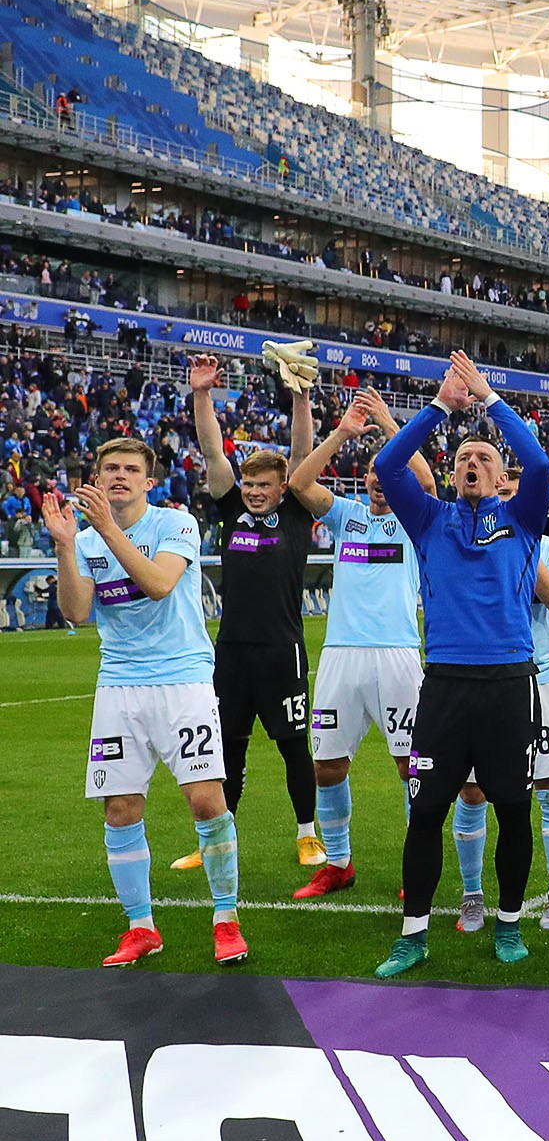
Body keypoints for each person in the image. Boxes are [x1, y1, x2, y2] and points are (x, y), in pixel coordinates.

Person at [370, 353, 549, 979]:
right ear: (451, 474)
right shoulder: (429, 519)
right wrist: (441, 408)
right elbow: (388, 466)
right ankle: (413, 934)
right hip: (444, 687)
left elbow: (541, 464)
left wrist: (491, 400)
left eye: (485, 459)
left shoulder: (523, 518)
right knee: (425, 813)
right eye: (464, 458)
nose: (473, 463)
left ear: (502, 476)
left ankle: (509, 922)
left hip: (508, 685)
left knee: (513, 810)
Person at [47, 443, 244, 968]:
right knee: (120, 809)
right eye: (111, 468)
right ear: (96, 477)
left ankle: (226, 918)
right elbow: (77, 611)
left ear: (148, 482)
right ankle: (141, 927)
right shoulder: (86, 539)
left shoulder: (175, 524)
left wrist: (107, 529)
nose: (120, 476)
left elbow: (158, 585)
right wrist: (65, 546)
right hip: (119, 685)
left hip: (182, 681)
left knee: (206, 802)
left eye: (132, 470)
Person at [289, 389, 433, 900]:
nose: (377, 479)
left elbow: (427, 481)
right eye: (372, 472)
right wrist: (343, 433)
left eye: (386, 471)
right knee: (327, 765)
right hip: (340, 655)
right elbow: (299, 482)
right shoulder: (346, 514)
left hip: (397, 655)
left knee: (410, 767)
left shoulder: (415, 518)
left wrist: (391, 425)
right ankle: (339, 864)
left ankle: (417, 867)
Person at [185, 354, 320, 868]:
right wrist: (202, 394)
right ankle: (219, 840)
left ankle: (307, 835)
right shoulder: (232, 510)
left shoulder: (296, 513)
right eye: (250, 484)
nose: (255, 492)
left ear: (282, 488)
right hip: (232, 651)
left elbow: (302, 452)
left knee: (293, 746)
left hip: (281, 650)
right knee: (228, 748)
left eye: (264, 485)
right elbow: (211, 451)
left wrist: (301, 398)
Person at [449, 463, 549, 932]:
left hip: (541, 677)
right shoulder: (466, 542)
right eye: (502, 496)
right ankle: (472, 896)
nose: (508, 503)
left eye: (517, 497)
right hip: (480, 677)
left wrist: (518, 537)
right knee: (472, 791)